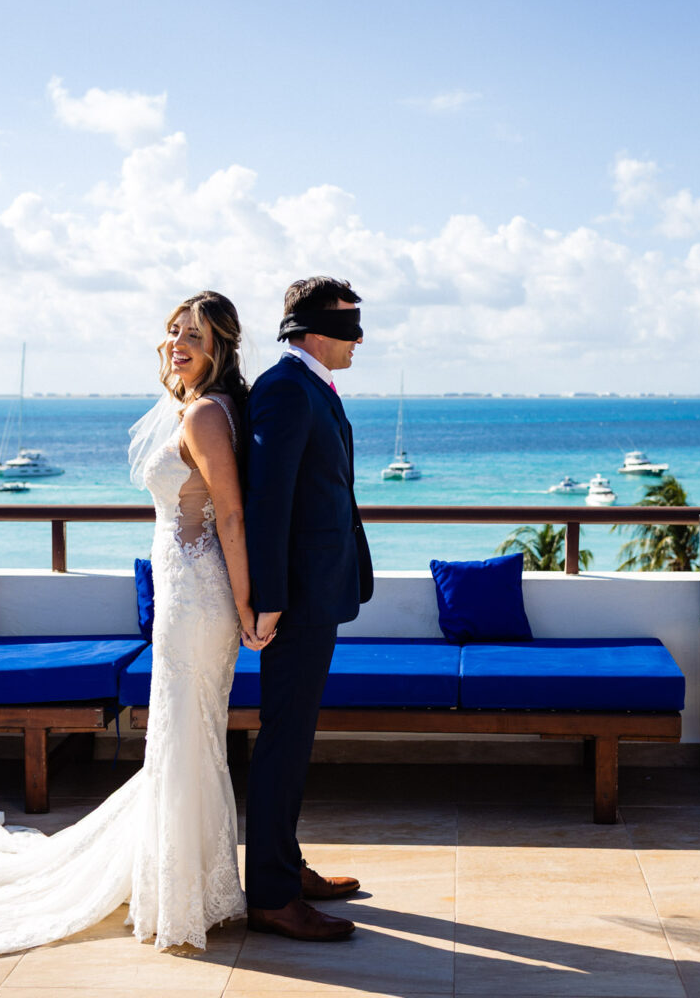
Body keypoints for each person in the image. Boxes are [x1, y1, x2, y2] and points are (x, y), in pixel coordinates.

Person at [0, 291, 268, 960]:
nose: (179, 344)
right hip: (183, 592)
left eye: (197, 337)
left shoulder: (208, 414)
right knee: (183, 737)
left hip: (199, 597)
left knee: (188, 736)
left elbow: (231, 516)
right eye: (175, 332)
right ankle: (184, 886)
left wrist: (244, 605)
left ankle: (186, 895)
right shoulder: (197, 408)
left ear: (221, 348)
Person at [242, 276, 374, 942]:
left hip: (316, 591)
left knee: (294, 742)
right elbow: (267, 502)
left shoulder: (308, 386)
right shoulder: (287, 391)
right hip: (295, 599)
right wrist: (269, 601)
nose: (361, 338)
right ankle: (269, 893)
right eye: (351, 325)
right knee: (283, 743)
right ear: (315, 329)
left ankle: (286, 867)